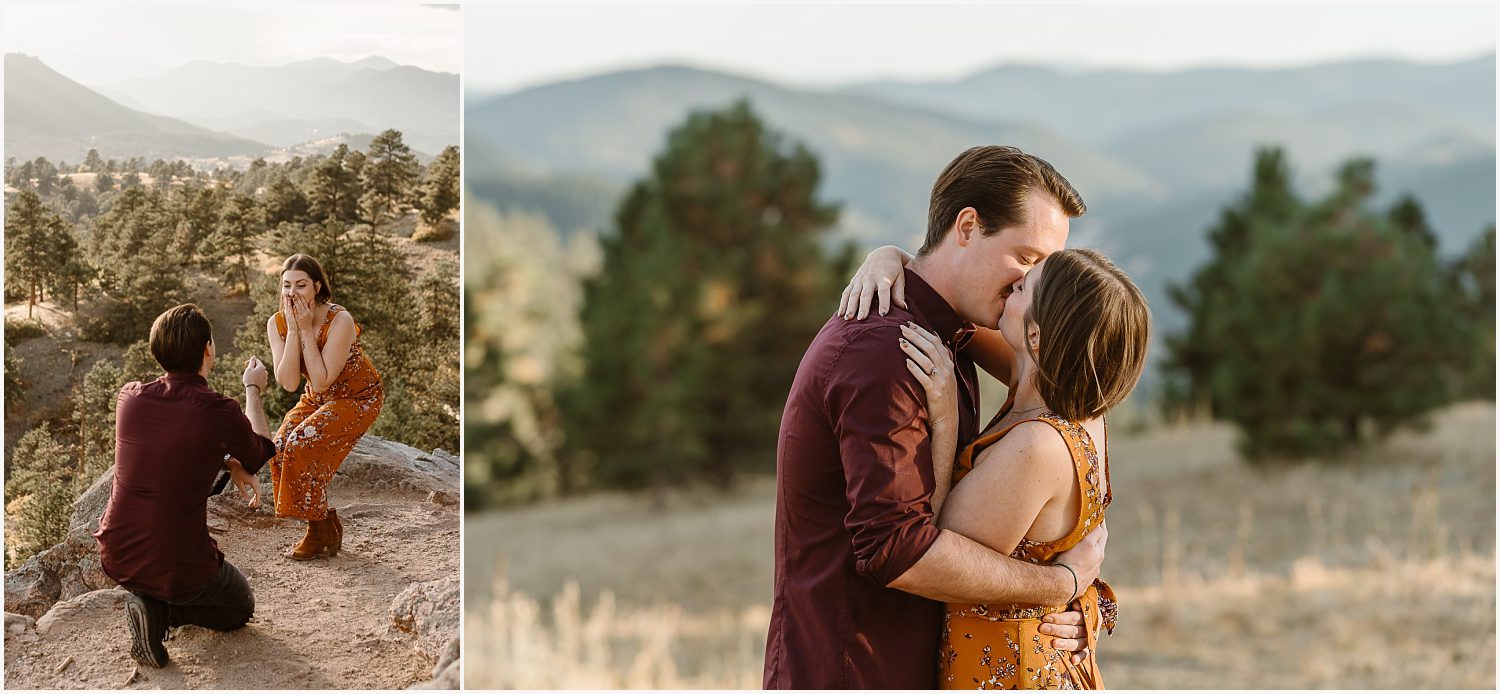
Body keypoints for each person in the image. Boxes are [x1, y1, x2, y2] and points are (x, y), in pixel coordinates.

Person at [765, 146, 1105, 689]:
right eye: (1026, 258)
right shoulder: (886, 352)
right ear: (967, 226)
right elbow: (898, 553)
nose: (1031, 286)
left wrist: (1080, 584)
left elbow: (1070, 395)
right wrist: (1057, 585)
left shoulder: (955, 330)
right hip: (860, 670)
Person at [894, 248, 1149, 688]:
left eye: (1020, 289)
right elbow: (948, 306)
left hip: (1009, 675)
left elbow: (932, 552)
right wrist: (889, 259)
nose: (1011, 285)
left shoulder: (1037, 446)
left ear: (1036, 337)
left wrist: (945, 418)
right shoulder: (1060, 396)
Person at [95, 304, 275, 668]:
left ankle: (147, 600)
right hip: (178, 562)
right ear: (208, 348)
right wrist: (253, 389)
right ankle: (160, 614)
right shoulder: (218, 410)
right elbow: (261, 451)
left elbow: (172, 445)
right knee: (240, 607)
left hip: (118, 552)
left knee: (161, 569)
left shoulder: (129, 398)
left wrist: (226, 461)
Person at [265, 253, 384, 560]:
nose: (293, 293)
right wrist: (293, 330)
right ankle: (324, 524)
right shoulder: (277, 323)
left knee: (304, 442)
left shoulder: (339, 320)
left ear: (317, 286)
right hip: (319, 397)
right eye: (287, 285)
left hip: (358, 396)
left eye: (301, 285)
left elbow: (321, 380)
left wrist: (306, 330)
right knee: (278, 446)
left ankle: (319, 531)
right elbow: (290, 382)